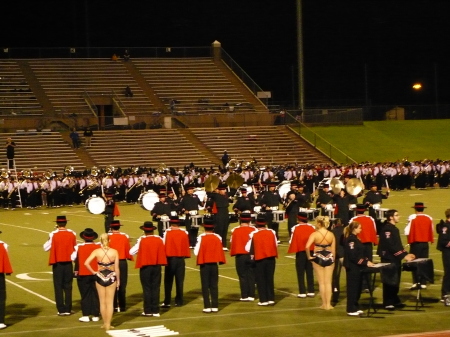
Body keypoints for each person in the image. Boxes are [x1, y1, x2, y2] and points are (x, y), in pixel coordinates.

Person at [377, 209, 415, 310]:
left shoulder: (394, 229)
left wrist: (407, 254)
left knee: (396, 280)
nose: (399, 217)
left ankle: (394, 299)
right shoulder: (387, 229)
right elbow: (391, 246)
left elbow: (398, 246)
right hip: (388, 258)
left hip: (395, 258)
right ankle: (388, 302)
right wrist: (403, 256)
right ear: (390, 217)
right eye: (396, 215)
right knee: (389, 280)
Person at [130, 222, 167, 317]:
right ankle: (156, 310)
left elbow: (131, 252)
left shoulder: (142, 240)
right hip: (157, 266)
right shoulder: (160, 239)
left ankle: (148, 310)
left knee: (147, 288)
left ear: (144, 230)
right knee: (156, 287)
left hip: (145, 266)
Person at [84, 233, 119, 330]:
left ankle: (104, 323)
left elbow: (86, 263)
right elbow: (117, 268)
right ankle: (108, 324)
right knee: (110, 303)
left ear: (100, 240)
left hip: (100, 277)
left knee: (102, 302)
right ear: (109, 240)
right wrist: (118, 280)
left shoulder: (96, 251)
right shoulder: (115, 252)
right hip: (111, 277)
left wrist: (94, 272)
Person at [43, 215, 77, 316]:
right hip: (68, 263)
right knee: (68, 286)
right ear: (66, 223)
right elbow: (75, 248)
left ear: (57, 224)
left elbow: (45, 247)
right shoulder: (72, 233)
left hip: (57, 263)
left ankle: (61, 309)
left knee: (58, 286)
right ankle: (68, 309)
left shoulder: (53, 234)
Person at [194, 215, 226, 313]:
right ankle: (215, 305)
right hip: (214, 264)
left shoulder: (201, 237)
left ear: (204, 227)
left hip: (204, 264)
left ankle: (207, 306)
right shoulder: (218, 237)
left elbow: (196, 252)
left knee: (205, 286)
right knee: (214, 285)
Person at [245, 213, 278, 306]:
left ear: (256, 224)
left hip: (259, 258)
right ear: (265, 223)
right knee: (269, 278)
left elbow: (247, 248)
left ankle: (263, 300)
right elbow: (275, 244)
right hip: (271, 258)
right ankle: (271, 298)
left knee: (261, 279)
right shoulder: (272, 232)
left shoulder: (253, 234)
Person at [343, 221, 375, 316]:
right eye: (359, 228)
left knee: (357, 288)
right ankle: (351, 309)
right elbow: (353, 256)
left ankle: (355, 306)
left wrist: (366, 261)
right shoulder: (351, 240)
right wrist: (365, 262)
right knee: (353, 288)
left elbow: (359, 254)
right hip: (353, 267)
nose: (361, 229)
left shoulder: (356, 239)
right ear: (354, 229)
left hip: (358, 267)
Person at [305, 216, 335, 310]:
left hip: (318, 257)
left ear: (318, 223)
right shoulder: (331, 234)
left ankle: (324, 304)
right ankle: (329, 304)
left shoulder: (314, 234)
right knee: (328, 282)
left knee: (321, 283)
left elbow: (307, 246)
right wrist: (332, 258)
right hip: (330, 257)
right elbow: (334, 250)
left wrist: (309, 257)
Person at [71, 228, 101, 322]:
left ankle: (86, 315)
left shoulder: (79, 247)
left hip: (83, 273)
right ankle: (96, 315)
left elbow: (72, 257)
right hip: (97, 273)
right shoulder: (99, 246)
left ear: (84, 237)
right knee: (96, 294)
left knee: (85, 295)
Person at [161, 215, 191, 308]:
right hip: (181, 259)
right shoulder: (184, 232)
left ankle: (167, 301)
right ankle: (179, 301)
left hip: (170, 260)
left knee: (168, 281)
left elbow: (164, 244)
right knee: (180, 281)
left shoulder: (167, 232)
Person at [404, 202, 433, 289]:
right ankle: (423, 282)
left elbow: (407, 231)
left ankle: (416, 281)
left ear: (415, 209)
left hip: (415, 243)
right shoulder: (429, 218)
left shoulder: (412, 217)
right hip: (425, 243)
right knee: (424, 262)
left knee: (414, 262)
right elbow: (431, 230)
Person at [287, 211, 315, 298]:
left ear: (298, 219)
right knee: (310, 271)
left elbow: (291, 241)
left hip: (300, 252)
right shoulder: (312, 227)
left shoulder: (295, 228)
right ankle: (311, 290)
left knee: (300, 272)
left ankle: (302, 291)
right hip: (311, 251)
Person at [230, 212, 257, 301]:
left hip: (240, 256)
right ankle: (252, 295)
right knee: (251, 275)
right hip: (251, 255)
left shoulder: (235, 230)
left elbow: (232, 242)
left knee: (242, 276)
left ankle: (244, 295)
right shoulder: (254, 229)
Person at [108, 220, 133, 313]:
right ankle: (122, 306)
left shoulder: (108, 237)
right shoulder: (124, 236)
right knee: (122, 284)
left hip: (110, 262)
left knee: (111, 284)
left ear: (111, 227)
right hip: (122, 262)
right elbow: (128, 250)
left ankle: (114, 306)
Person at [209, 184, 230, 250]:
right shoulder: (216, 196)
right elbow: (209, 194)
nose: (224, 191)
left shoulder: (225, 196)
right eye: (222, 190)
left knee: (225, 229)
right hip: (219, 213)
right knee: (219, 230)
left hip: (226, 213)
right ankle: (218, 244)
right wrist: (214, 190)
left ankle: (224, 245)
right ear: (219, 191)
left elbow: (233, 191)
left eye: (224, 190)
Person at [0, 231, 13, 330]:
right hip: (0, 275)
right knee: (1, 298)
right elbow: (5, 258)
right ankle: (0, 321)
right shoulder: (4, 245)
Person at [437, 209, 450, 302]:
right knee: (448, 273)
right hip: (447, 252)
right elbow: (444, 241)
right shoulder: (446, 226)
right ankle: (445, 293)